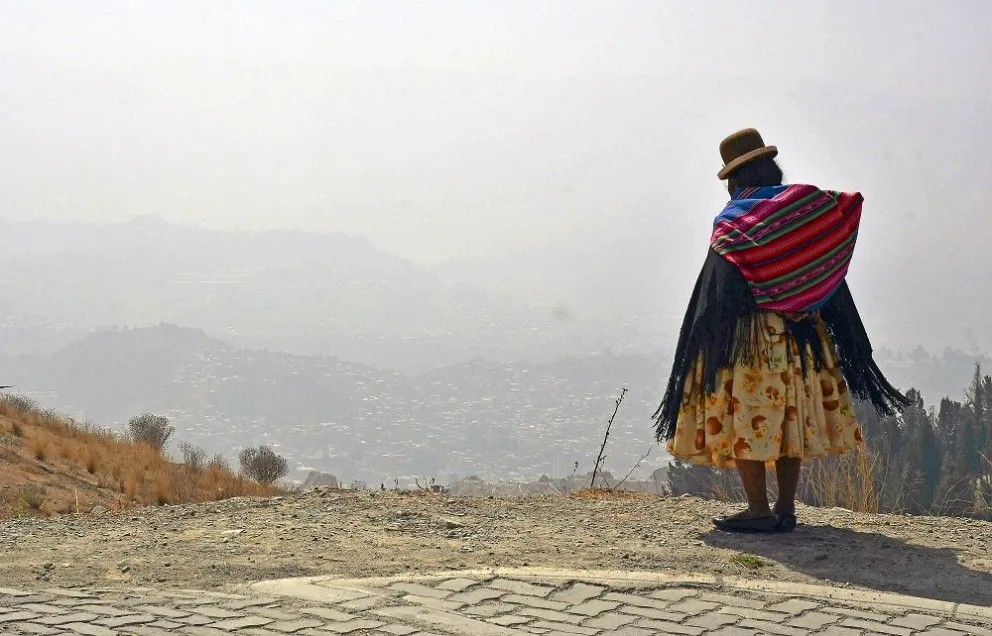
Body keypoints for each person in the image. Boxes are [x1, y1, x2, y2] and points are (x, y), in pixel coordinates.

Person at [653, 128, 909, 533]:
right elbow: (829, 241)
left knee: (747, 422)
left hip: (752, 345)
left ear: (735, 179)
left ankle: (758, 509)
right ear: (770, 166)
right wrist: (806, 298)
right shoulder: (804, 204)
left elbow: (721, 290)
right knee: (789, 420)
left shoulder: (733, 222)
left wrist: (707, 343)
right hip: (803, 336)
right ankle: (785, 507)